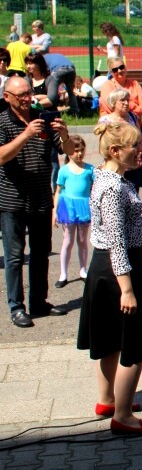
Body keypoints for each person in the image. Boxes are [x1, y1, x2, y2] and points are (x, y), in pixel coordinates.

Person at [78, 121, 142, 431]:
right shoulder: (113, 187)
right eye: (135, 146)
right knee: (133, 343)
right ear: (115, 151)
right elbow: (115, 239)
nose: (141, 151)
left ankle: (109, 399)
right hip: (121, 267)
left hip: (108, 267)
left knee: (109, 339)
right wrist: (127, 289)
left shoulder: (107, 177)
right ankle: (123, 415)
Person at [1, 76, 70, 328]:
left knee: (41, 253)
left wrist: (64, 135)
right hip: (13, 199)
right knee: (15, 256)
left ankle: (39, 302)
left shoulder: (44, 118)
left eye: (29, 93)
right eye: (20, 95)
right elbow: (1, 157)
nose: (27, 98)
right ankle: (16, 307)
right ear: (7, 97)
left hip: (41, 197)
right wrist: (26, 134)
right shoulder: (2, 121)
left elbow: (68, 150)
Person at [54, 135, 94, 288]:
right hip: (68, 207)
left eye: (82, 150)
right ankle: (63, 273)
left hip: (84, 206)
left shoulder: (90, 169)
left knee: (83, 241)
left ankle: (83, 270)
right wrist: (54, 212)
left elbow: (95, 189)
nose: (79, 153)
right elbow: (58, 191)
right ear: (69, 151)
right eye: (76, 150)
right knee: (67, 241)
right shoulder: (64, 170)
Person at [99, 89, 142, 191]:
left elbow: (140, 140)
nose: (126, 103)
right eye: (122, 100)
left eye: (127, 100)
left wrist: (138, 154)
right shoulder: (105, 121)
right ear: (113, 103)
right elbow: (104, 146)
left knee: (133, 195)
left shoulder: (133, 117)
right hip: (115, 166)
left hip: (133, 165)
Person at [43, 51, 79, 115]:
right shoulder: (57, 55)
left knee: (52, 90)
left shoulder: (42, 58)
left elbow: (45, 73)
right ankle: (75, 110)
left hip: (58, 70)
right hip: (71, 68)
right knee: (71, 92)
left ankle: (52, 109)